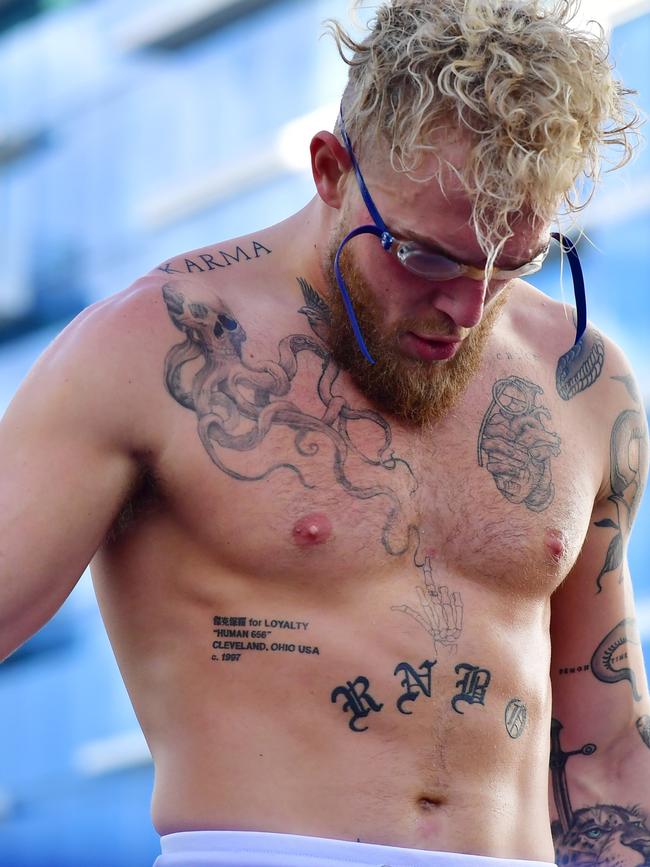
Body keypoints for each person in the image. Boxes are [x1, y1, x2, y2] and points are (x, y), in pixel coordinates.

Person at [1, 1, 649, 865]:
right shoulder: (148, 346)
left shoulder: (584, 377)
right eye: (424, 256)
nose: (465, 307)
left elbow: (603, 749)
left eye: (510, 265)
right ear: (330, 169)